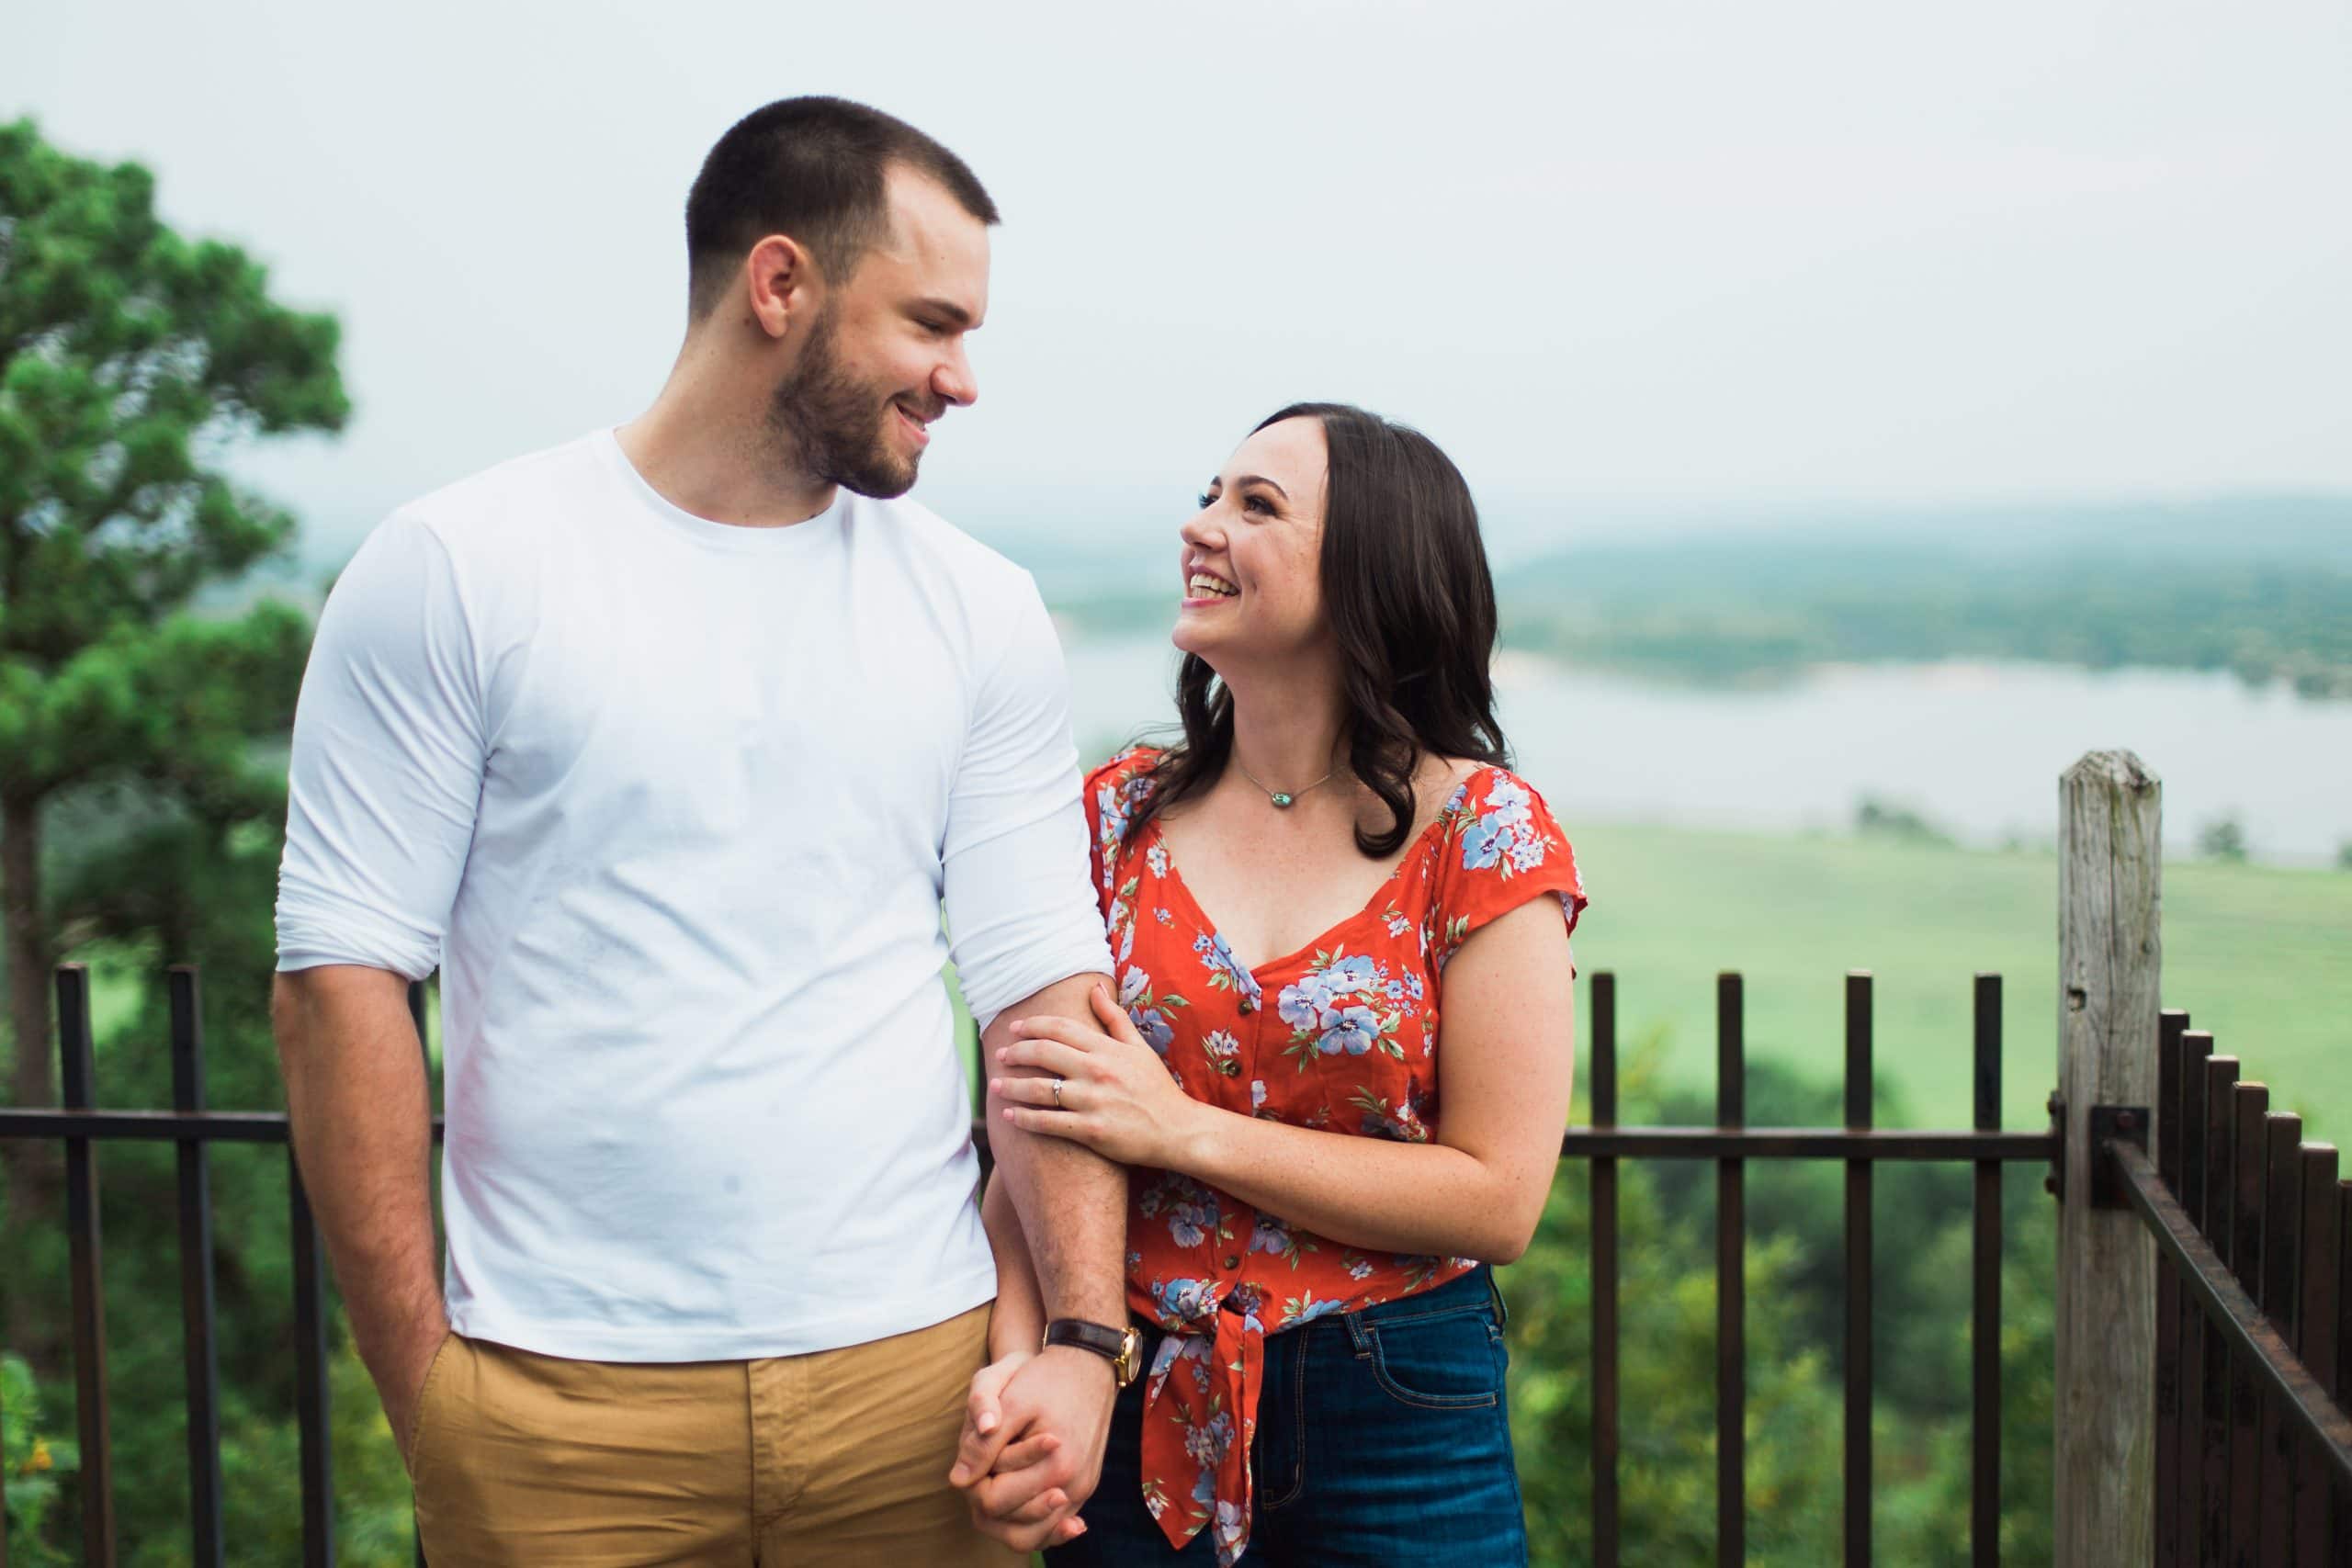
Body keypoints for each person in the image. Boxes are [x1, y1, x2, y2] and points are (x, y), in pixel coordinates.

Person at [272, 96, 1127, 1563]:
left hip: (924, 1394)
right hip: (553, 1403)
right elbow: (339, 975)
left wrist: (1084, 1343)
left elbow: (1047, 1004)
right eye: (931, 322)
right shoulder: (459, 568)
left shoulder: (979, 607)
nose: (963, 378)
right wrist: (434, 1396)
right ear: (780, 284)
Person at [950, 403, 1585, 1564]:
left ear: (1368, 573)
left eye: (1256, 506)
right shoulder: (1113, 819)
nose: (1201, 527)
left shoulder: (1484, 834)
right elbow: (1035, 1119)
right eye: (1210, 494)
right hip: (1139, 1397)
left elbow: (1497, 1199)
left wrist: (1182, 1132)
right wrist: (1024, 1353)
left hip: (1397, 1408)